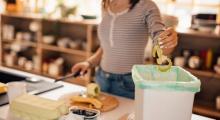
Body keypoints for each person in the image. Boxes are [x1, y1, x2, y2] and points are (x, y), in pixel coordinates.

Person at [72, 0, 178, 99]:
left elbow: (160, 40)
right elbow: (107, 46)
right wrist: (88, 63)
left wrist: (167, 41)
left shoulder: (147, 6)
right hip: (102, 78)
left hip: (129, 83)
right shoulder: (106, 4)